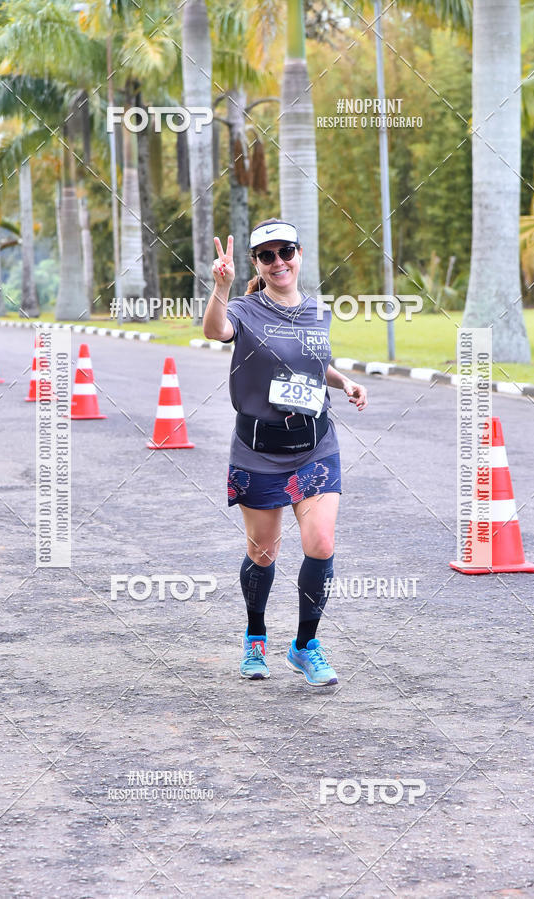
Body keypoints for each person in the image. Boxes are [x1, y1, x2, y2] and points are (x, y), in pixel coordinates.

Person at [203, 219, 367, 686]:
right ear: (257, 263)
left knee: (321, 544)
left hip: (315, 444)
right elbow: (216, 331)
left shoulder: (318, 309)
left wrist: (345, 381)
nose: (279, 263)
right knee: (263, 552)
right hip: (259, 448)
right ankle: (256, 636)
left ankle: (305, 645)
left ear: (299, 254)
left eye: (286, 252)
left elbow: (314, 362)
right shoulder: (244, 308)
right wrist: (220, 286)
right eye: (268, 256)